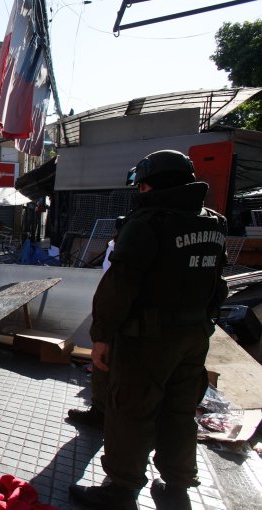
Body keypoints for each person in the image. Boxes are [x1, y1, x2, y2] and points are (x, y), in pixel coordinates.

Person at [69, 150, 229, 510]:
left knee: (131, 411)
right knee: (179, 409)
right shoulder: (214, 223)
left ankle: (121, 489)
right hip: (194, 335)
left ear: (148, 183)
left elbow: (119, 286)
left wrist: (102, 336)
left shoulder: (147, 222)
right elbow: (216, 282)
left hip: (147, 340)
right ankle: (176, 485)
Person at [68, 217, 124, 429]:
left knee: (105, 365)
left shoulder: (125, 243)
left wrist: (101, 335)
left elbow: (114, 286)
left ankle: (102, 413)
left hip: (121, 320)